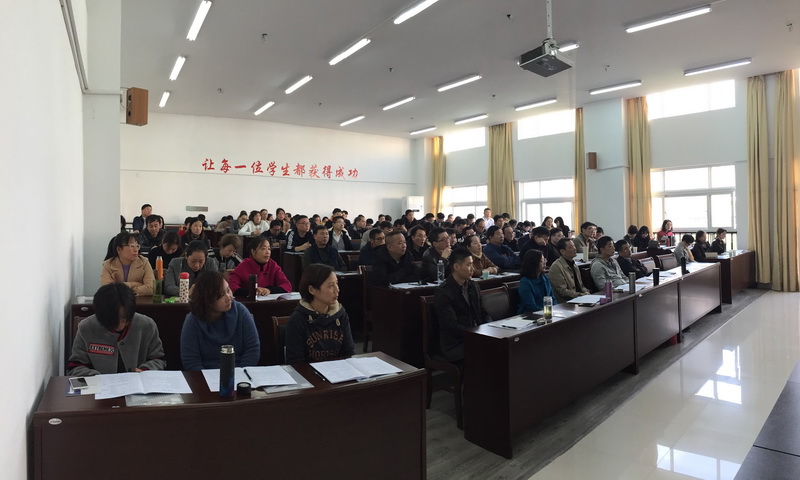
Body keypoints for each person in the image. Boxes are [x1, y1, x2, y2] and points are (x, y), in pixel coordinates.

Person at [67, 283, 165, 375]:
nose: (120, 324)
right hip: (100, 386)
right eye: (113, 319)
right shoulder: (86, 328)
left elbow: (158, 359)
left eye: (124, 317)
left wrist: (145, 370)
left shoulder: (147, 325)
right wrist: (97, 378)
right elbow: (75, 366)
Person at [180, 271, 260, 370]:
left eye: (228, 290)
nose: (229, 297)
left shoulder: (240, 311)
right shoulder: (193, 320)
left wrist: (241, 373)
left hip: (240, 371)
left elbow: (252, 349)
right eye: (222, 295)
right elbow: (190, 360)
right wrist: (203, 377)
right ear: (208, 299)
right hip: (205, 374)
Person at [285, 264, 355, 363]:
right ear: (312, 290)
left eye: (337, 283)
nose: (337, 290)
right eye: (331, 285)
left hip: (337, 370)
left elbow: (349, 353)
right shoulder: (298, 319)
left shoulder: (341, 315)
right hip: (309, 372)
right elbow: (296, 362)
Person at [433, 249, 492, 363]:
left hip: (475, 335)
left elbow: (483, 312)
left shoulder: (473, 286)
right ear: (456, 267)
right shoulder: (443, 292)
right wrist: (475, 334)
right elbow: (451, 325)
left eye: (472, 264)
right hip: (455, 343)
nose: (473, 269)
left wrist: (490, 327)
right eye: (469, 265)